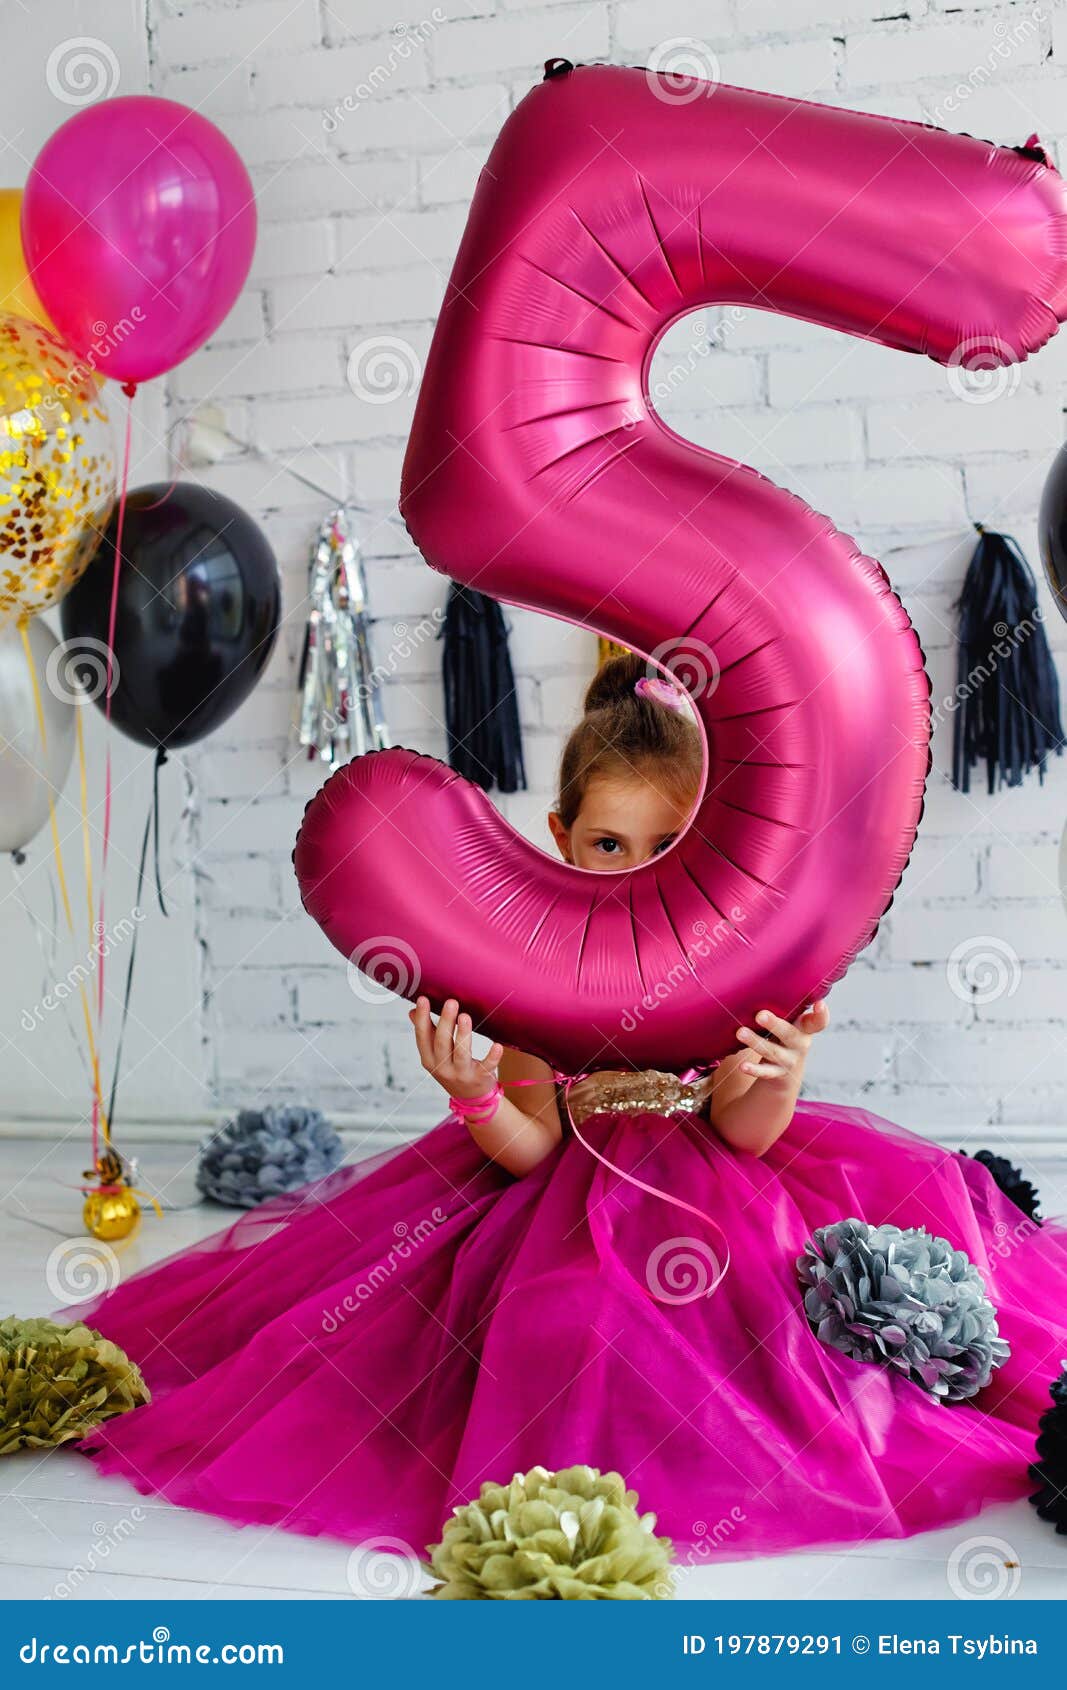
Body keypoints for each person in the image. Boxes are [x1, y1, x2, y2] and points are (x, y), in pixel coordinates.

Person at [61, 656, 1067, 1563]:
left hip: (717, 1183)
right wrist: (475, 1095)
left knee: (755, 1326)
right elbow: (533, 1149)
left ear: (714, 841)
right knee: (566, 1316)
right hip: (558, 1192)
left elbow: (742, 1135)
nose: (635, 867)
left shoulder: (734, 960)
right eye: (607, 841)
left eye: (667, 841)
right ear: (559, 840)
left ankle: (709, 1459)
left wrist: (776, 1072)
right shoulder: (539, 963)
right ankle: (571, 1492)